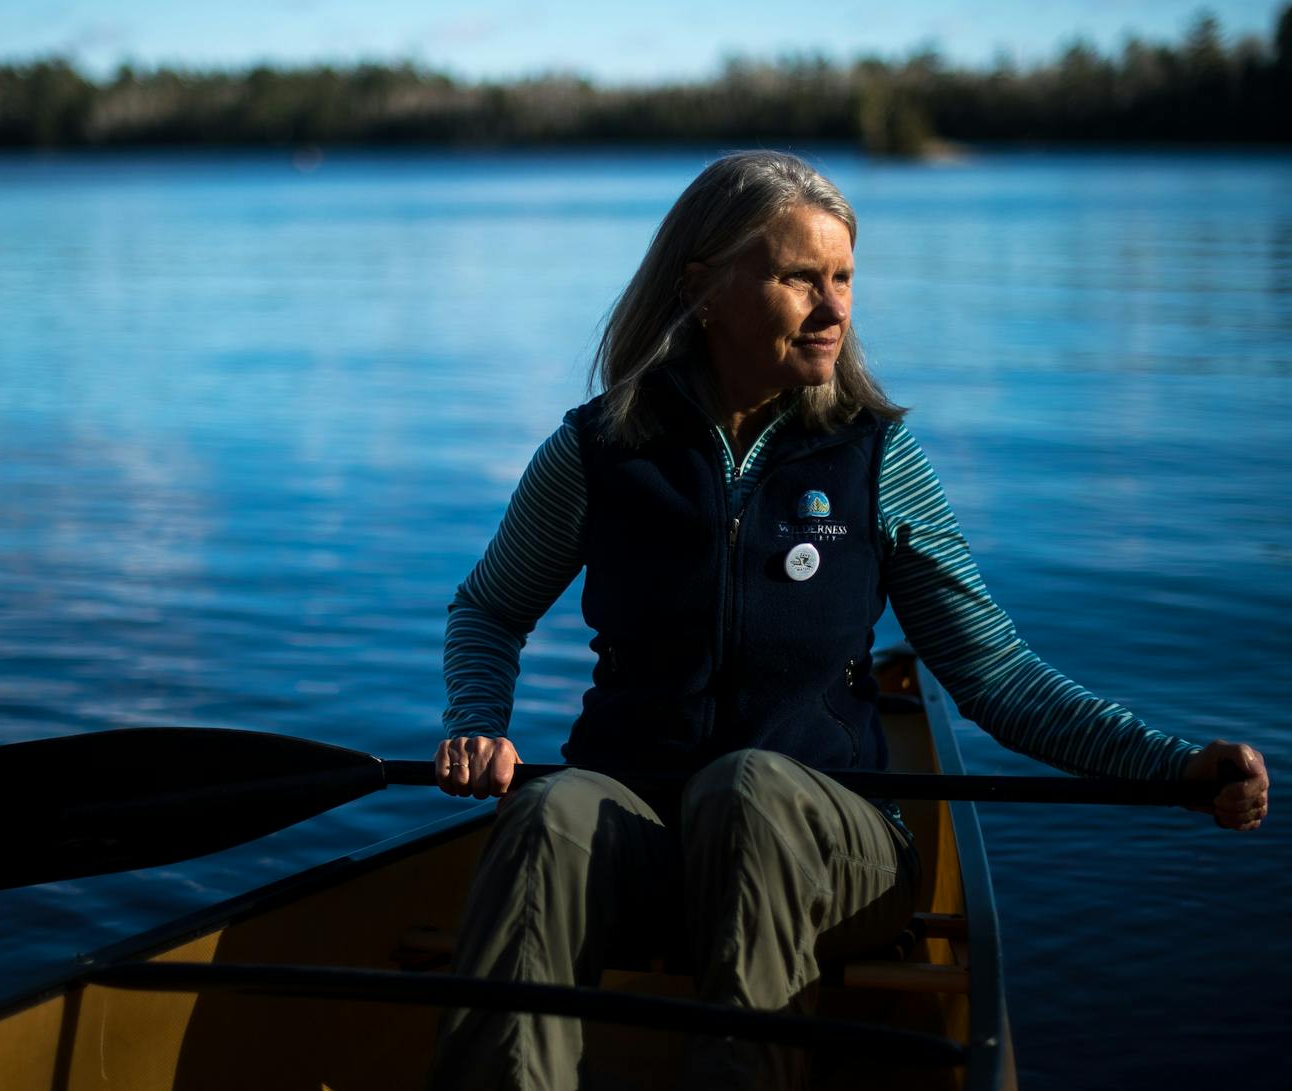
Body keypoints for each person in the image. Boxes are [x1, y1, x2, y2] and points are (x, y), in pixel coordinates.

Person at [427, 151, 1269, 1091]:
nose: (834, 309)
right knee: (546, 812)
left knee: (748, 789)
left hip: (840, 850)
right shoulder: (598, 450)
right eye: (799, 279)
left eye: (844, 279)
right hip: (645, 829)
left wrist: (1169, 763)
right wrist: (476, 719)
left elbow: (996, 675)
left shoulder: (873, 455)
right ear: (701, 288)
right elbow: (490, 608)